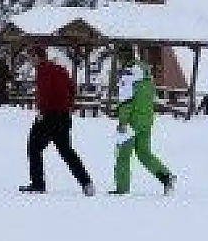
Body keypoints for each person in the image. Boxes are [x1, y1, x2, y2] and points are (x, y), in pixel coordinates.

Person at [20, 46, 95, 196]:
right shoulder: (60, 69)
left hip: (49, 115)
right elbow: (72, 88)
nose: (30, 61)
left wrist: (42, 111)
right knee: (66, 151)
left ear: (36, 56)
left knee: (34, 147)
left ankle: (38, 184)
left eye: (30, 57)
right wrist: (68, 106)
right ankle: (86, 183)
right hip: (64, 115)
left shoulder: (43, 70)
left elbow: (44, 92)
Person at [110, 45, 175, 196]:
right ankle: (166, 177)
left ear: (122, 57)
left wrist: (122, 121)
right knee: (144, 153)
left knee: (122, 154)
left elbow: (126, 101)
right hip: (146, 119)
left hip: (132, 121)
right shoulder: (145, 73)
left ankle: (122, 188)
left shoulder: (128, 75)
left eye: (118, 57)